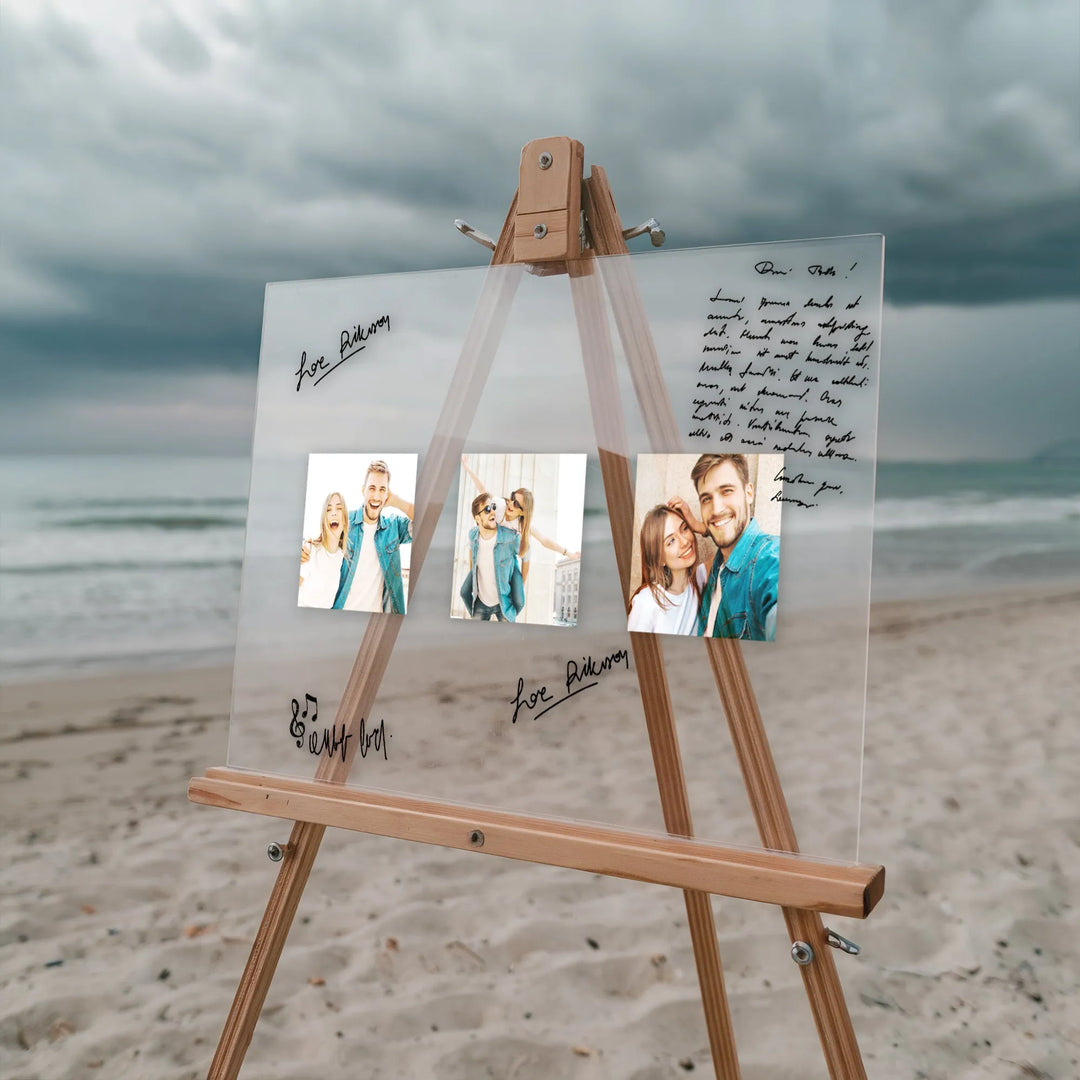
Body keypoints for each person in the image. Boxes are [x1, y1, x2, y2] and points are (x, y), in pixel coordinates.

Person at [680, 453, 779, 641]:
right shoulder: (717, 568)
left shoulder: (769, 557)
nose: (716, 509)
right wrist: (708, 528)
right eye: (706, 499)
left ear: (748, 493)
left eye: (726, 491)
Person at [300, 459, 414, 615]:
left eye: (382, 490)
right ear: (363, 490)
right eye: (372, 488)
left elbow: (429, 522)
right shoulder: (347, 521)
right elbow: (324, 536)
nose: (376, 495)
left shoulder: (394, 527)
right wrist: (304, 546)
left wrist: (395, 501)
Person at [460, 456, 578, 583]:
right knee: (475, 533)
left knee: (527, 547)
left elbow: (544, 540)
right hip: (491, 541)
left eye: (517, 504)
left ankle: (520, 585)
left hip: (503, 548)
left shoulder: (521, 524)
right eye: (512, 498)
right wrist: (468, 468)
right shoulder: (500, 505)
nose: (511, 504)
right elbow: (482, 489)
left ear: (523, 511)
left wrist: (569, 553)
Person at [627, 504, 707, 635]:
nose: (684, 542)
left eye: (684, 528)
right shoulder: (646, 603)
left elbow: (735, 547)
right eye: (671, 541)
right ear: (659, 559)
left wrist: (699, 526)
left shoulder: (699, 578)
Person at [461, 491, 521, 621]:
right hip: (481, 602)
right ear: (477, 518)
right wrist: (473, 573)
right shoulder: (472, 534)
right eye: (487, 509)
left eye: (493, 507)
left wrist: (521, 583)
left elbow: (525, 554)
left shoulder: (510, 537)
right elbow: (471, 551)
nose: (493, 512)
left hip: (503, 604)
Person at [297, 492, 348, 608]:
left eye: (339, 508)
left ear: (345, 519)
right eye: (328, 510)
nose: (334, 513)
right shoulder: (309, 550)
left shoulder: (342, 556)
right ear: (323, 520)